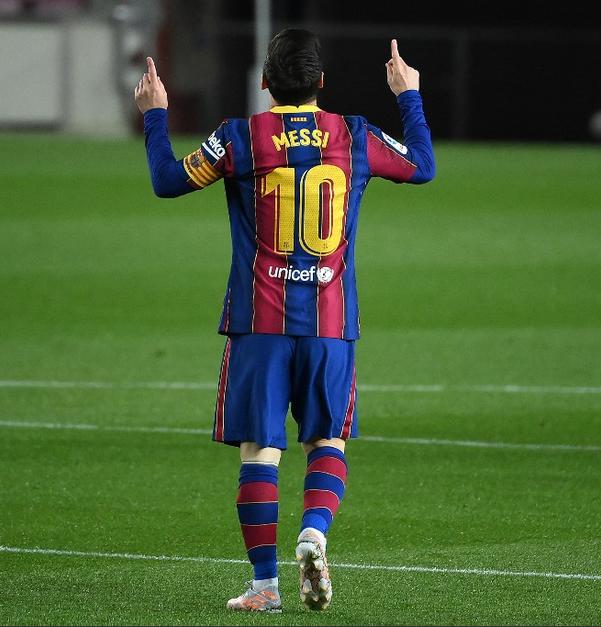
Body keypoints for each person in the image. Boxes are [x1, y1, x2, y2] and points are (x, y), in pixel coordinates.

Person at [135, 28, 434, 613]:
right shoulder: (355, 135)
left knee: (259, 452)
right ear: (322, 83)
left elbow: (167, 181)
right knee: (328, 439)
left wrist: (155, 114)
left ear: (266, 83)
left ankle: (265, 586)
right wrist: (408, 94)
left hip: (259, 323)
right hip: (330, 323)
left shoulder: (240, 137)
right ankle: (315, 532)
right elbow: (422, 165)